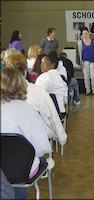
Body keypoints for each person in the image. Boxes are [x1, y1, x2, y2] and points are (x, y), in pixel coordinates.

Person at [1, 67, 52, 199]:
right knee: (29, 161)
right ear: (22, 85)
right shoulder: (28, 110)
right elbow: (43, 148)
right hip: (22, 171)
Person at [5, 53, 67, 146]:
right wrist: (61, 137)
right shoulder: (38, 92)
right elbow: (52, 117)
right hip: (34, 144)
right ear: (25, 71)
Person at [76, 27, 94, 95]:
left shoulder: (93, 41)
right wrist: (78, 63)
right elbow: (78, 53)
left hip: (92, 61)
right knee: (86, 77)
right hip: (84, 62)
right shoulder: (80, 43)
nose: (85, 35)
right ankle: (88, 90)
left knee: (93, 76)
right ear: (82, 35)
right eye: (83, 33)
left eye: (86, 33)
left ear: (88, 33)